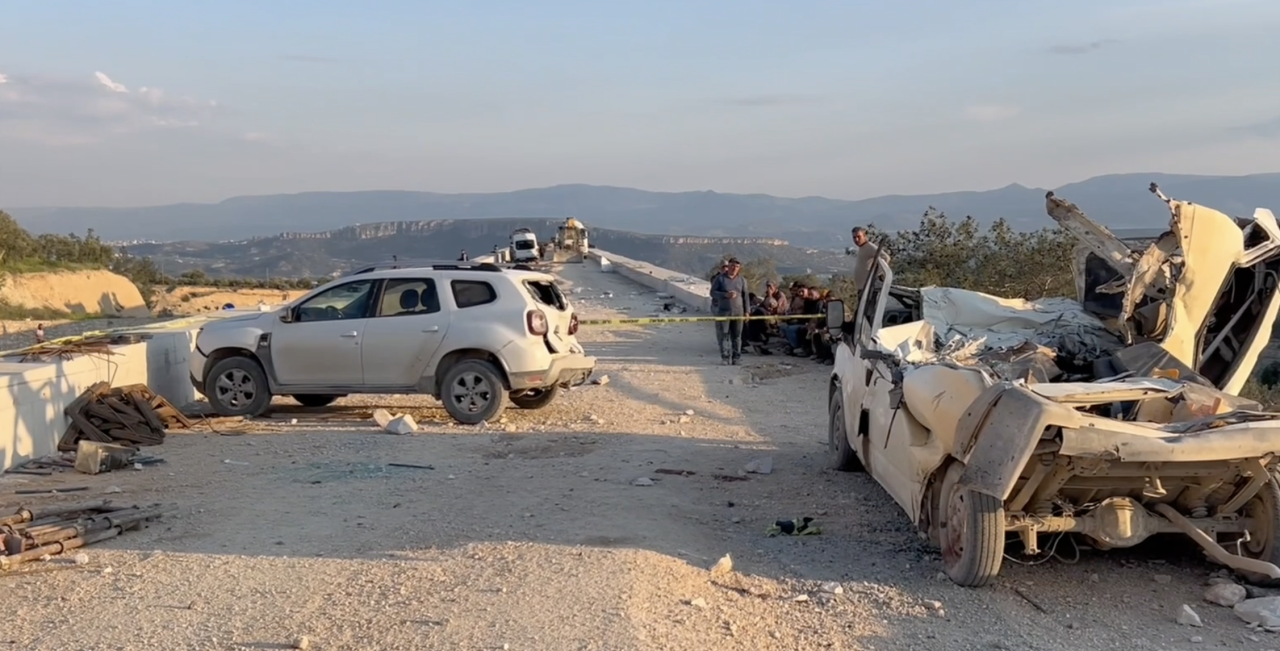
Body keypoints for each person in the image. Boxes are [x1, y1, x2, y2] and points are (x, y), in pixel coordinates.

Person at [709, 258, 749, 364]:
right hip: (724, 311)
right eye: (732, 266)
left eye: (736, 267)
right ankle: (725, 357)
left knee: (737, 336)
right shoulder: (720, 279)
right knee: (724, 335)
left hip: (738, 312)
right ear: (728, 266)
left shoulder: (742, 280)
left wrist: (747, 311)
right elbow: (712, 293)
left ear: (739, 268)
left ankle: (736, 357)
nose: (734, 268)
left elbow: (745, 297)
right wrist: (724, 295)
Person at [849, 226, 882, 294]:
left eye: (859, 237)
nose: (856, 239)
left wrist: (876, 273)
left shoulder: (869, 247)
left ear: (864, 236)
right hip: (862, 288)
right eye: (854, 237)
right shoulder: (862, 248)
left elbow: (886, 257)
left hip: (868, 288)